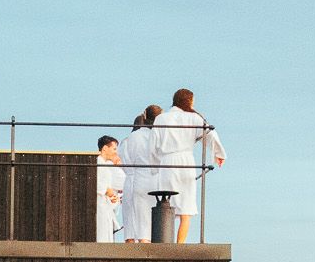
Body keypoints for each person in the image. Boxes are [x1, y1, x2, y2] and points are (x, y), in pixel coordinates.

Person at [150, 88, 225, 243]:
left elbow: (153, 145)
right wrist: (219, 154)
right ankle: (180, 244)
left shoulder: (161, 119)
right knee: (186, 209)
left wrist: (154, 167)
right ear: (189, 101)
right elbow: (210, 133)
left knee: (166, 201)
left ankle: (165, 242)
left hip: (167, 163)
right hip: (185, 161)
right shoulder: (194, 118)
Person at [117, 105, 162, 241]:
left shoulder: (130, 139)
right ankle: (146, 243)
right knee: (149, 217)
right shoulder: (159, 137)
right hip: (155, 178)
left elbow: (124, 160)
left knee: (133, 216)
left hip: (135, 177)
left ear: (145, 115)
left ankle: (132, 243)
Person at [95, 135, 123, 242]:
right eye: (114, 149)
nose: (116, 152)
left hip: (105, 204)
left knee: (105, 234)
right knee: (102, 235)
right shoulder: (99, 162)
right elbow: (100, 184)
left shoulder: (106, 164)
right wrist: (109, 192)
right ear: (105, 148)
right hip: (100, 205)